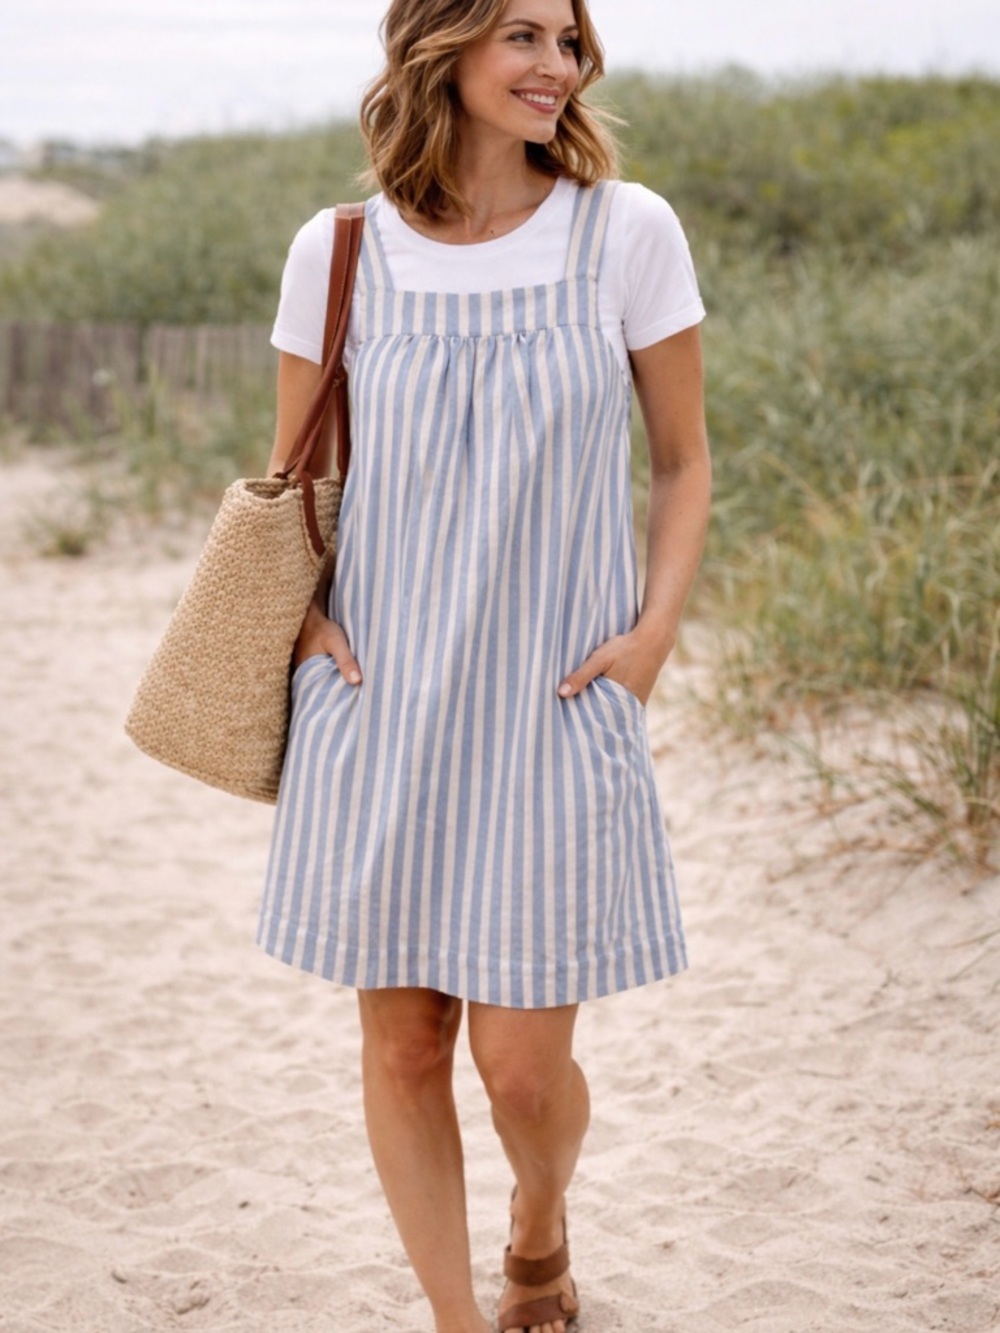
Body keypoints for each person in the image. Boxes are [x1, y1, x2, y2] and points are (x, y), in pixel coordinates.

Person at [258, 0, 711, 1328]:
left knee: (520, 1069)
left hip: (554, 704)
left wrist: (650, 639)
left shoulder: (626, 232)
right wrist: (306, 630)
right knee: (405, 1047)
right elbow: (292, 477)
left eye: (568, 42)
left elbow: (683, 462)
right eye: (522, 35)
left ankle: (540, 1213)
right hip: (379, 701)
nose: (555, 66)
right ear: (440, 46)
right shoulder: (339, 251)